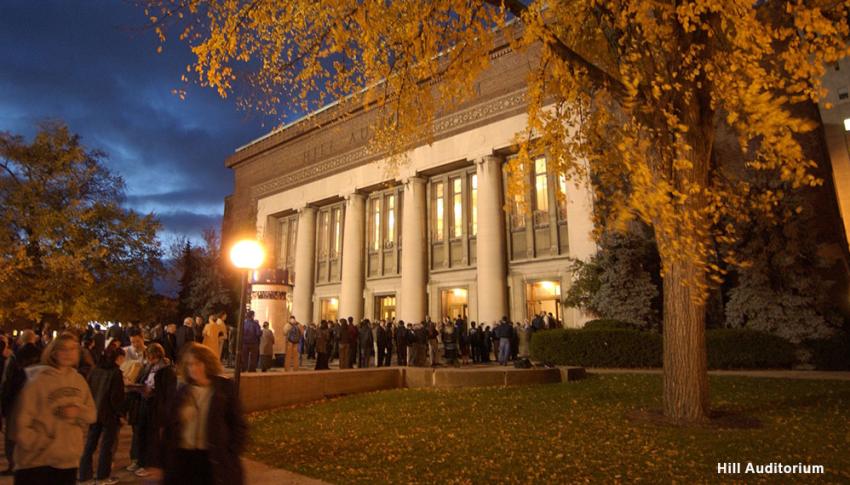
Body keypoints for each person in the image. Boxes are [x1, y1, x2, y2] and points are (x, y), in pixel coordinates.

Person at [12, 333, 96, 484]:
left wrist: (78, 411)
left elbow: (92, 414)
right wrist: (40, 442)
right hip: (37, 463)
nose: (68, 353)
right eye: (63, 349)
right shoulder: (37, 380)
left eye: (72, 349)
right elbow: (20, 422)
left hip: (68, 460)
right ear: (53, 352)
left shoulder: (79, 381)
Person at [164, 343, 246, 485]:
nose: (193, 368)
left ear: (207, 363)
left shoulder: (224, 389)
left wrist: (230, 452)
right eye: (189, 364)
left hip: (212, 458)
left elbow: (238, 424)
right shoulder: (182, 391)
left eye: (198, 363)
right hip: (185, 458)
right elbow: (168, 427)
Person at [78, 347, 126, 484]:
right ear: (118, 358)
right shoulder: (115, 373)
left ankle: (84, 474)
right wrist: (121, 413)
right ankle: (102, 476)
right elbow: (116, 397)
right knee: (107, 446)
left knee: (90, 444)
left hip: (95, 411)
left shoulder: (95, 370)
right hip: (109, 414)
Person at [132, 343, 177, 479]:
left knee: (152, 438)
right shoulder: (149, 367)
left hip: (156, 408)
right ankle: (141, 462)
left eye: (151, 357)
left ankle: (149, 465)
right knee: (142, 434)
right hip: (145, 405)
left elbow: (169, 393)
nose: (149, 360)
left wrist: (153, 393)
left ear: (157, 355)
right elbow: (142, 380)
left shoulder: (167, 371)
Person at [0, 339, 41, 475]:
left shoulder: (16, 365)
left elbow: (8, 386)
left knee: (13, 437)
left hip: (15, 405)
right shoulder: (33, 371)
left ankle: (15, 463)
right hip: (19, 406)